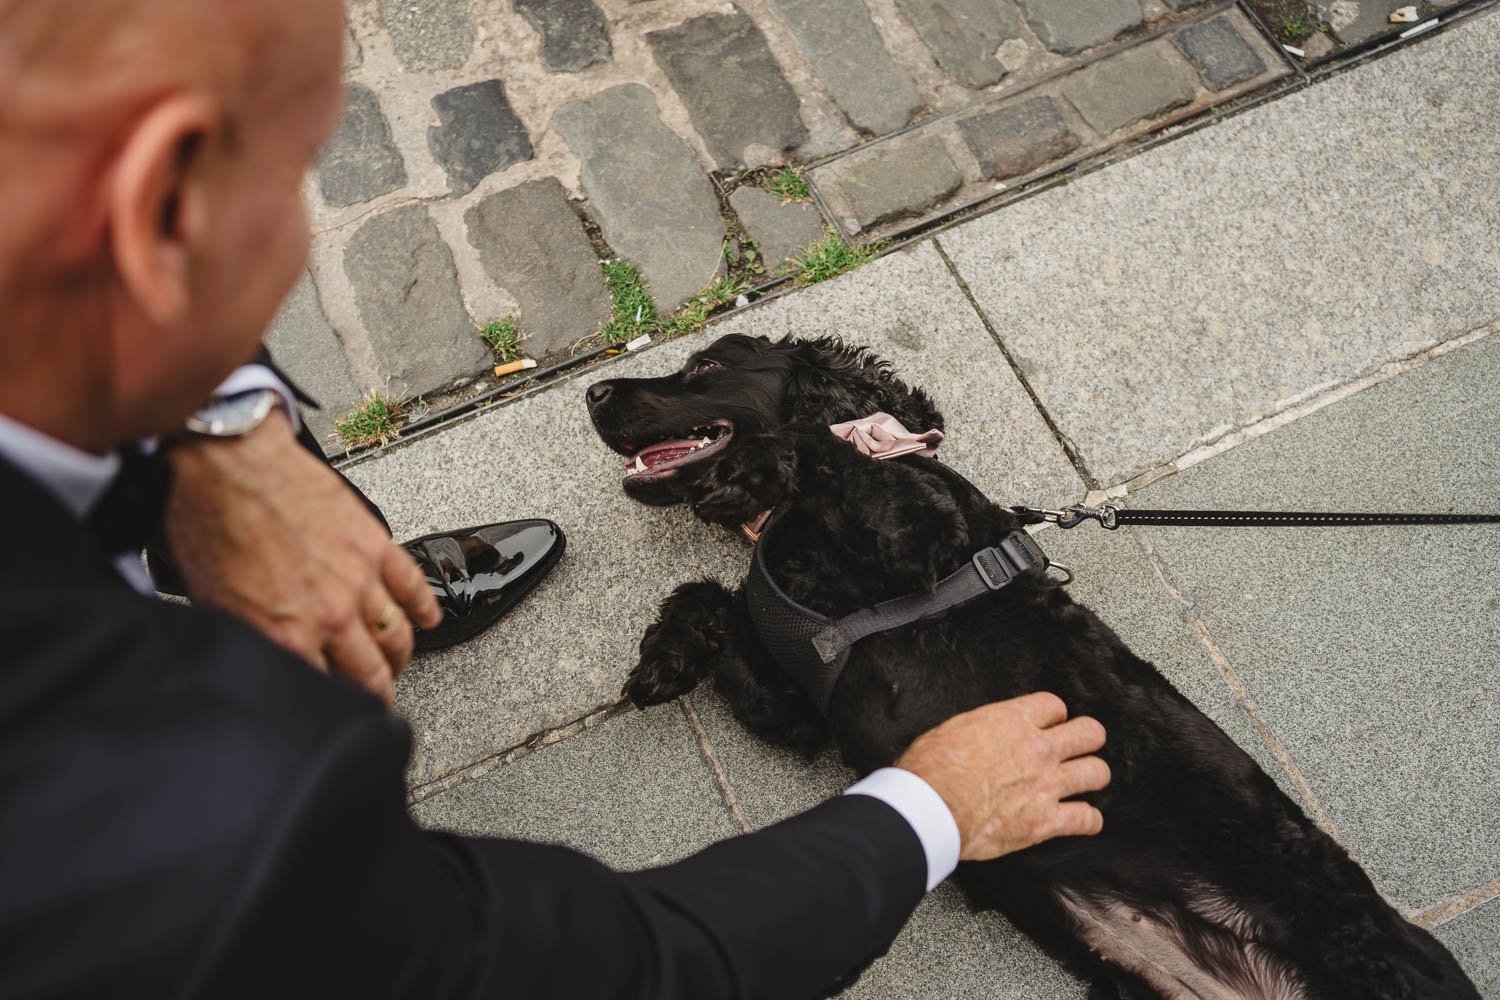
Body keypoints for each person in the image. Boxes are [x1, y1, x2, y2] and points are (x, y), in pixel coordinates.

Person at [0, 1, 1111, 997]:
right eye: (293, 165)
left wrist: (211, 434)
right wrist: (928, 813)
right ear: (159, 216)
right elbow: (613, 965)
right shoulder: (192, 826)